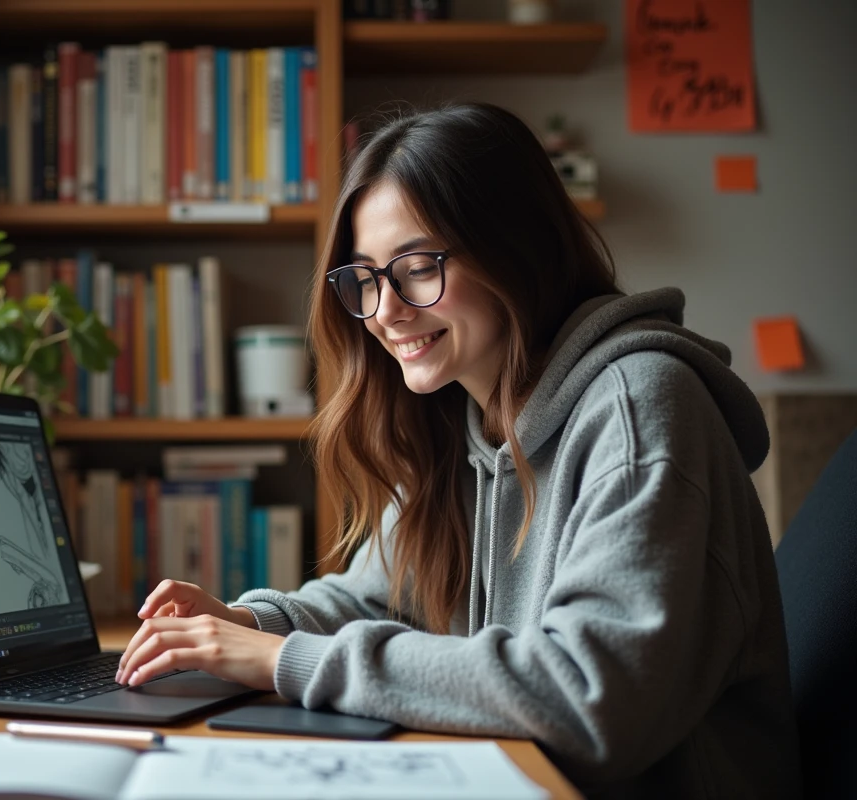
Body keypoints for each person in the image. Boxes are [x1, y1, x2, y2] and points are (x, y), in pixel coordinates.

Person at [114, 104, 800, 797]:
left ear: (517, 247)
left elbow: (595, 699)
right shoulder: (458, 421)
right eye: (366, 280)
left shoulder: (641, 405)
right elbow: (377, 598)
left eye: (415, 268)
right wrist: (249, 623)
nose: (385, 311)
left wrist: (284, 658)